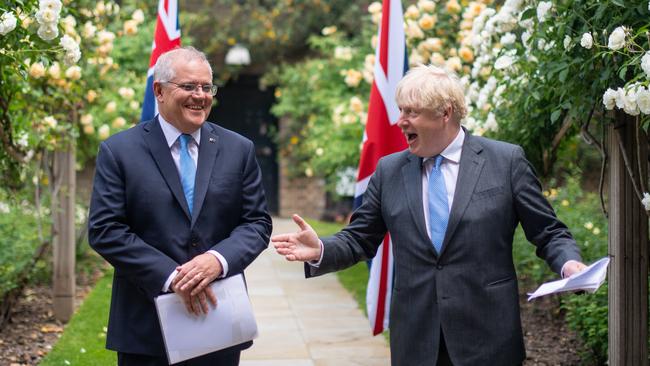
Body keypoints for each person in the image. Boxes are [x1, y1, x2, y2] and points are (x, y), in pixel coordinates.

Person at [272, 64, 587, 366]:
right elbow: (360, 238)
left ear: (445, 113)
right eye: (400, 111)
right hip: (416, 340)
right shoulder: (389, 171)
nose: (400, 121)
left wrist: (568, 263)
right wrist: (321, 249)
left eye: (411, 112)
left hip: (488, 337)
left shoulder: (505, 162)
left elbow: (548, 231)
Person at [88, 46, 272, 366]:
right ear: (159, 90)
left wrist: (217, 260)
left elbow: (256, 223)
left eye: (206, 87)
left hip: (219, 320)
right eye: (188, 86)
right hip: (146, 329)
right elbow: (106, 230)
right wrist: (173, 277)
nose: (200, 96)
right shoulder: (119, 151)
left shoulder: (238, 149)